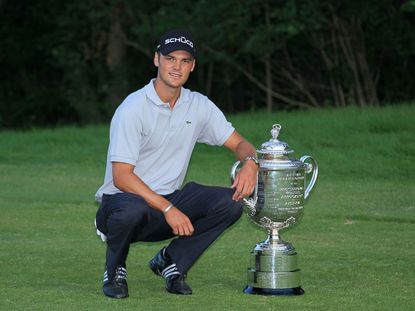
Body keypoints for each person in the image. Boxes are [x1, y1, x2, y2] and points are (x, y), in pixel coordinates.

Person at [94, 29, 259, 299]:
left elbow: (240, 144)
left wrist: (251, 163)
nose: (177, 66)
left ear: (192, 66)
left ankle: (172, 261)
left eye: (184, 61)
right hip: (122, 203)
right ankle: (115, 271)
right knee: (132, 208)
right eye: (171, 58)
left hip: (168, 201)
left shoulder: (199, 105)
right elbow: (122, 177)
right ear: (157, 59)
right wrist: (169, 208)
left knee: (230, 203)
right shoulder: (132, 108)